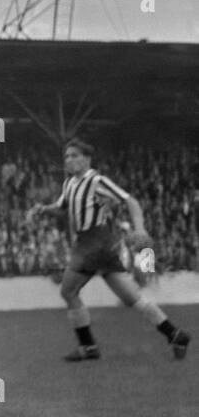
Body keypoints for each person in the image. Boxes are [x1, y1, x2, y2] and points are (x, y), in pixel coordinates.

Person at [26, 139, 189, 362]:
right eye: (66, 156)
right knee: (132, 298)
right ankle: (175, 334)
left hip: (95, 242)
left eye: (74, 155)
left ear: (87, 159)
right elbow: (62, 207)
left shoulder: (96, 180)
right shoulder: (70, 183)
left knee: (68, 292)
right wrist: (43, 209)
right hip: (94, 244)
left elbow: (129, 200)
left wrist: (140, 228)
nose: (69, 160)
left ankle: (88, 347)